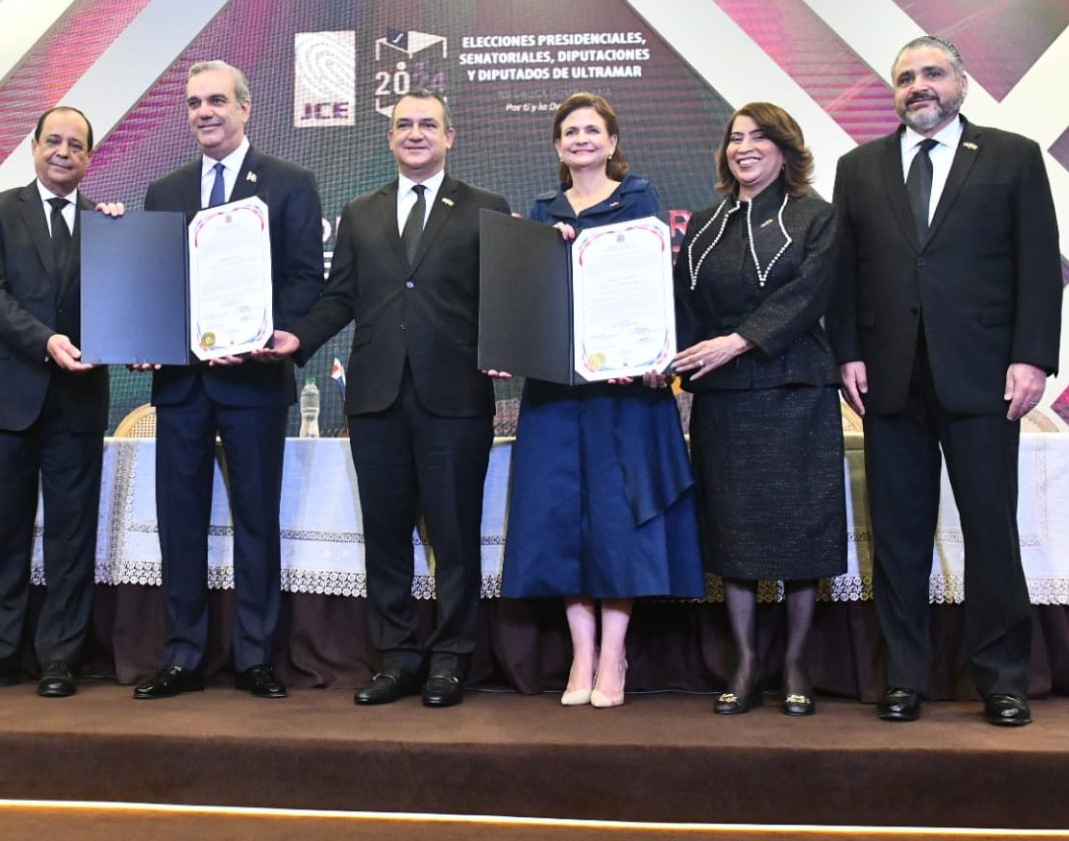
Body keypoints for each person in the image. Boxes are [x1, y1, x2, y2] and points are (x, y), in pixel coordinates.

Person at [829, 36, 1061, 728]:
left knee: (991, 533)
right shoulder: (858, 167)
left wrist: (1033, 357)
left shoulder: (1012, 156)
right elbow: (845, 274)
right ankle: (904, 679)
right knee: (897, 537)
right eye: (905, 78)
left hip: (986, 377)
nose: (918, 86)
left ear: (962, 82)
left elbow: (1038, 265)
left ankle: (1002, 681)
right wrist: (846, 352)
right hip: (889, 380)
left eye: (932, 73)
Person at [257, 88, 510, 708]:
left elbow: (507, 296)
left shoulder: (486, 207)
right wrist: (297, 337)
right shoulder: (360, 211)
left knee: (454, 537)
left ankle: (450, 659)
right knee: (386, 537)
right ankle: (396, 659)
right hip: (374, 400)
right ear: (389, 137)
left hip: (455, 399)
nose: (415, 133)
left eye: (428, 124)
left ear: (451, 137)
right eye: (403, 124)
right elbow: (340, 296)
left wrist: (514, 349)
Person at [499, 92, 703, 710]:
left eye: (593, 130)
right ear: (558, 147)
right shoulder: (540, 213)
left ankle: (614, 651)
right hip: (558, 394)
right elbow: (527, 304)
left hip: (623, 394)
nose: (582, 139)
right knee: (562, 518)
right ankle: (580, 652)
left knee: (619, 520)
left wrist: (655, 359)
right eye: (570, 131)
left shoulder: (639, 198)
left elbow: (656, 293)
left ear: (612, 142)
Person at [133, 60, 324, 701]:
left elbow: (304, 278)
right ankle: (183, 655)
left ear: (246, 109)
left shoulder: (290, 184)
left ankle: (255, 657)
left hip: (254, 383)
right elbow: (155, 285)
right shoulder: (164, 190)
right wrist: (143, 341)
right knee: (178, 522)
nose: (204, 112)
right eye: (193, 103)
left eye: (217, 101)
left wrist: (281, 335)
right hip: (183, 386)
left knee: (255, 521)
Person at [673, 102, 845, 716]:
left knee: (802, 534)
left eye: (758, 138)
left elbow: (809, 294)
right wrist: (655, 355)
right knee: (735, 537)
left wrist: (739, 341)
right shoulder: (703, 224)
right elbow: (681, 308)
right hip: (724, 400)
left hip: (795, 389)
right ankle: (746, 663)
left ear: (785, 148)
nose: (743, 147)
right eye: (734, 138)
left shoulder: (817, 217)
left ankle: (796, 663)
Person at [0, 107, 115, 699]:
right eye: (54, 141)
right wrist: (46, 341)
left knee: (71, 535)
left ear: (90, 158)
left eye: (76, 145)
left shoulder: (105, 223)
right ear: (33, 147)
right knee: (6, 531)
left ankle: (60, 658)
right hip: (8, 395)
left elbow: (122, 305)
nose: (64, 152)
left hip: (79, 401)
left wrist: (122, 248)